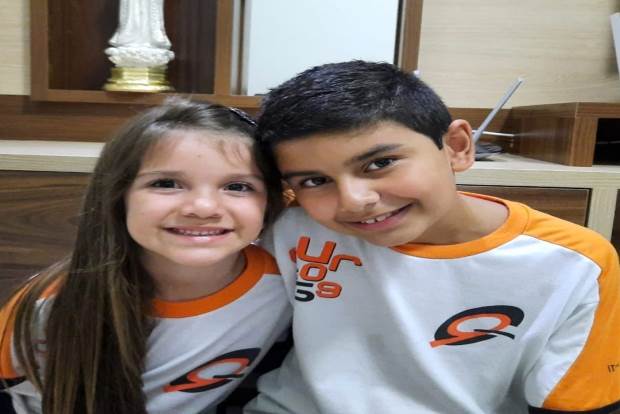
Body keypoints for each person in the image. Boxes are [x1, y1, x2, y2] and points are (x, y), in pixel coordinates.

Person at [245, 60, 620, 413]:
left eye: (380, 163)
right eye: (315, 181)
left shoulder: (574, 264)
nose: (354, 201)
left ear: (457, 147)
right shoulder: (292, 226)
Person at [0, 99, 291, 414]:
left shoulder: (288, 283)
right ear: (118, 196)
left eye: (238, 186)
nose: (203, 208)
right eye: (166, 183)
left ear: (271, 201)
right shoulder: (47, 304)